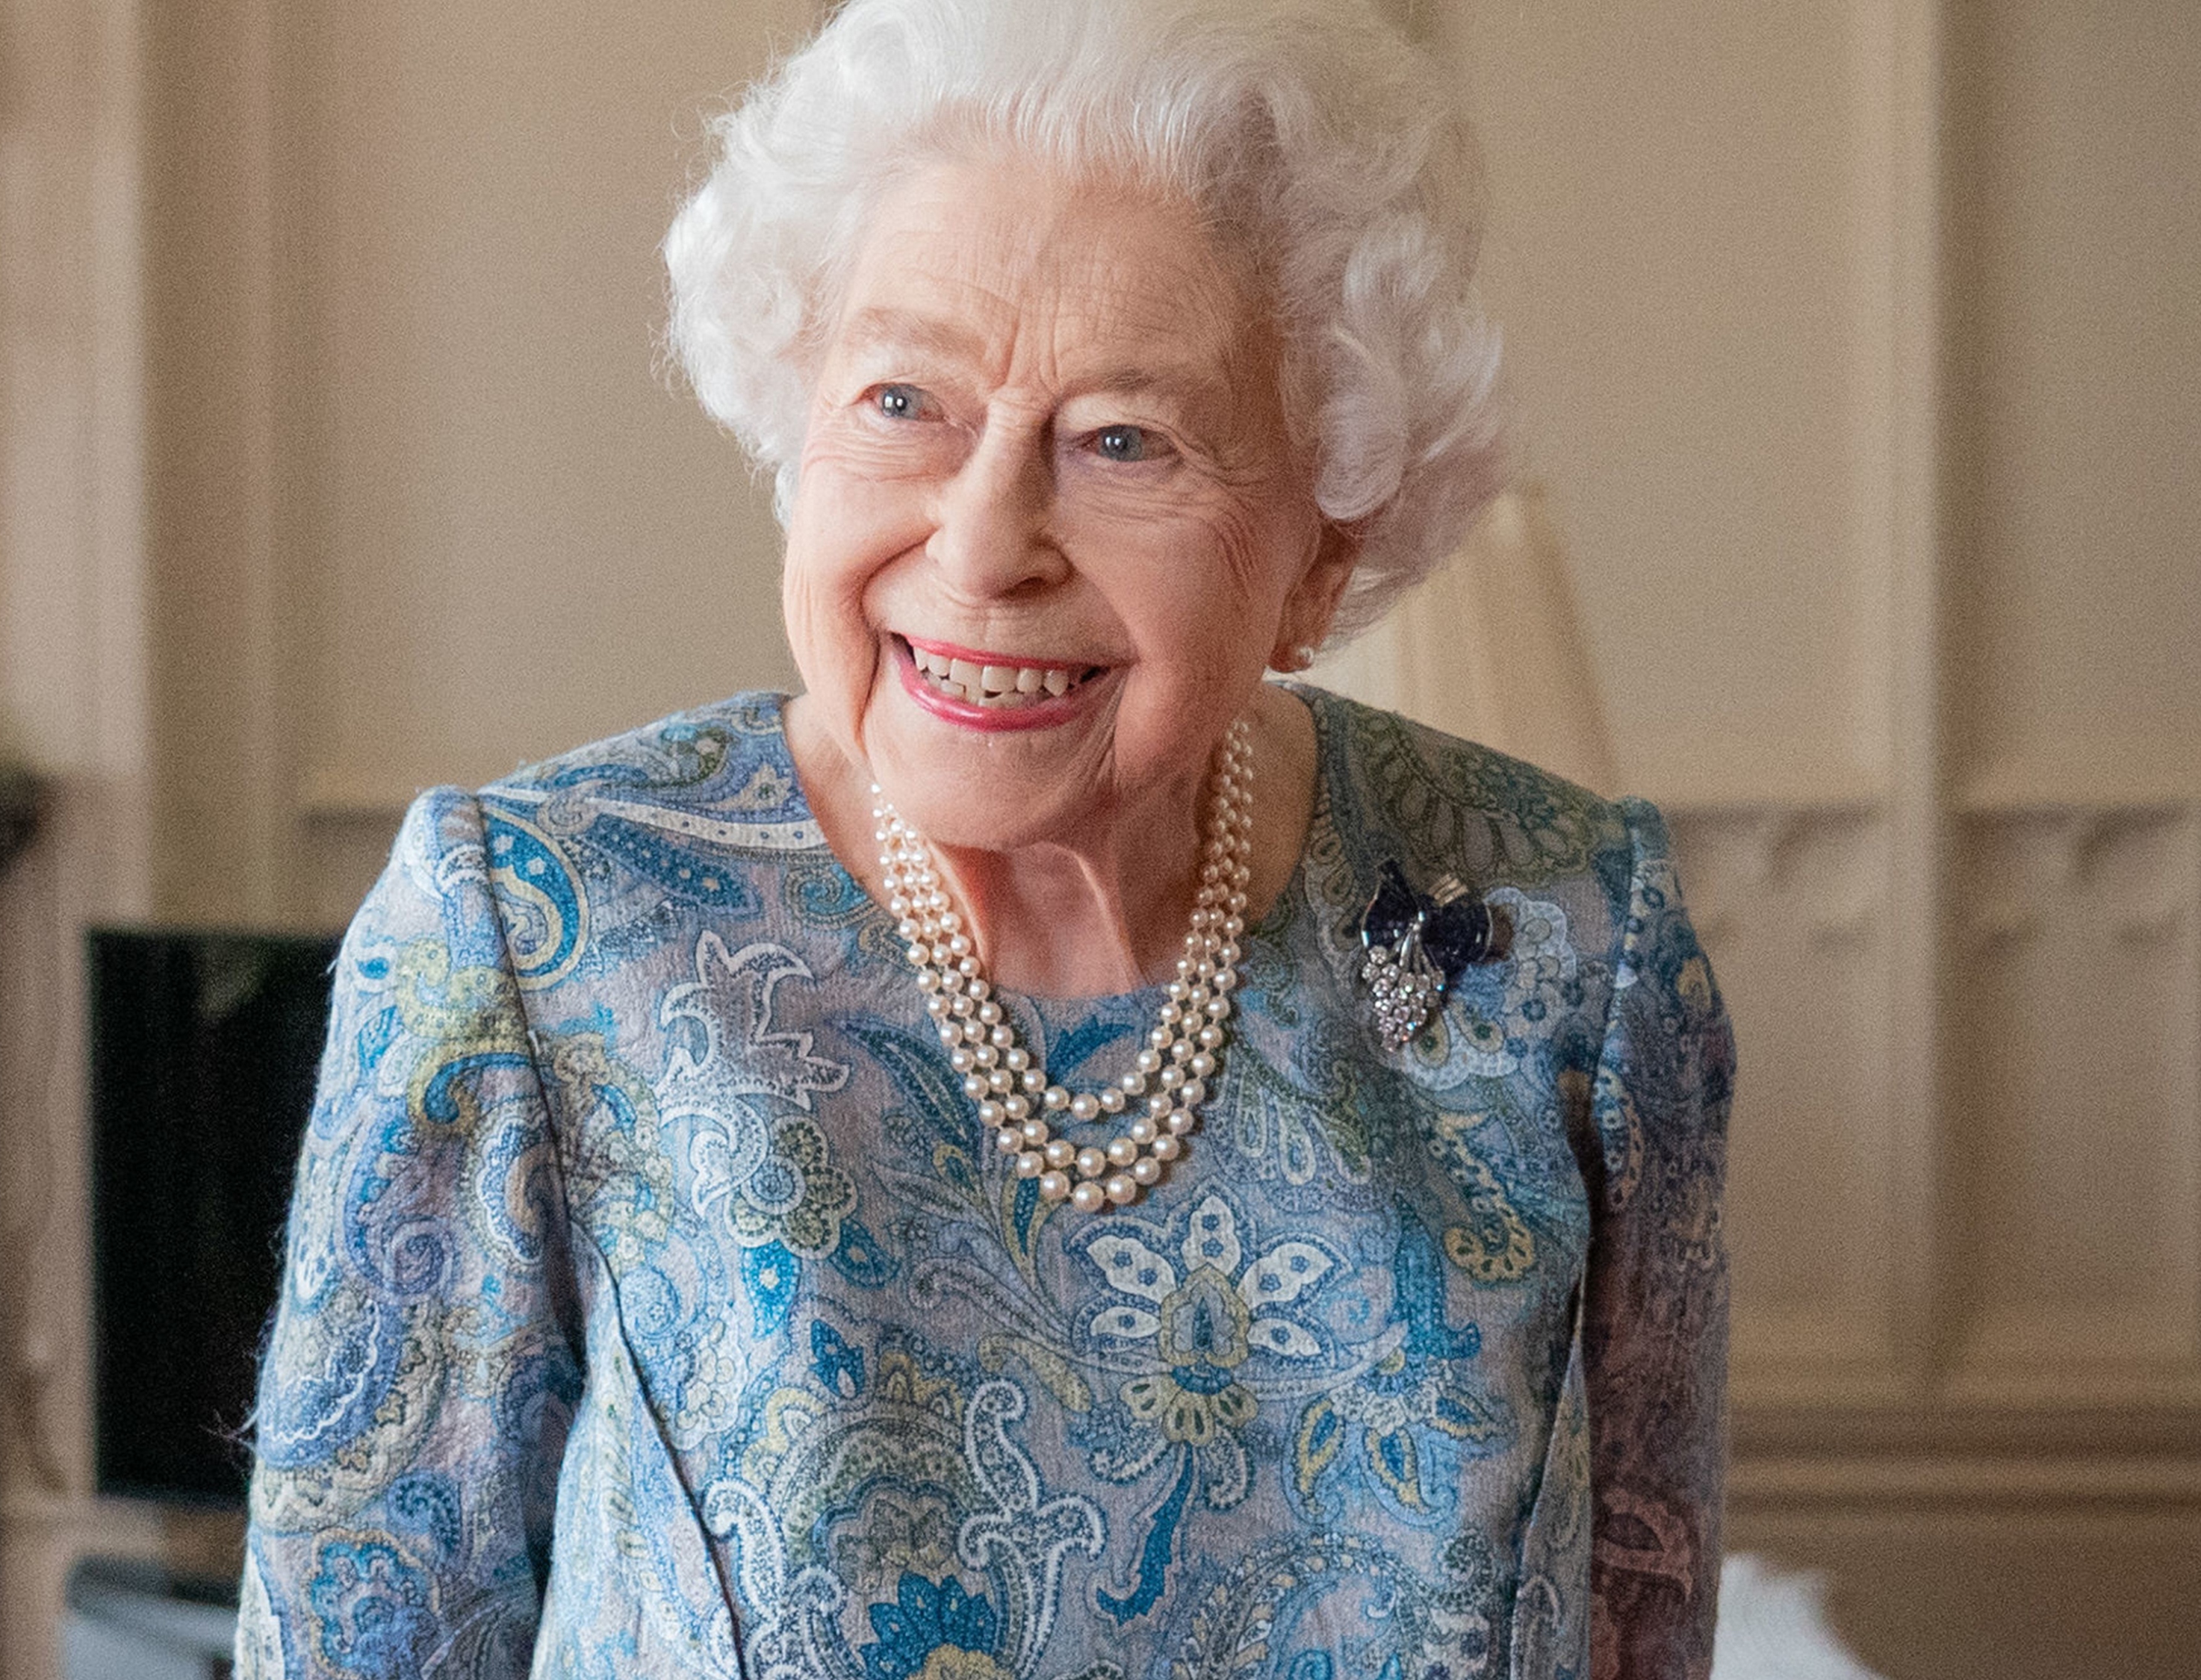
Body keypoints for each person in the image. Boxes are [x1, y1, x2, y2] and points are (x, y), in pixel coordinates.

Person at [235, 1, 1734, 1676]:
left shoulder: (1559, 942)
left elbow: (1639, 1622)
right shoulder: (537, 940)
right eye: (900, 401)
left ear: (1324, 542)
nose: (982, 541)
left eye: (1120, 440)